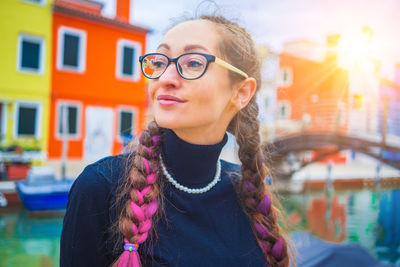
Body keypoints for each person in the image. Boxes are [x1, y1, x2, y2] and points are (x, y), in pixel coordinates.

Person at [60, 15, 291, 267]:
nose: (165, 78)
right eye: (159, 62)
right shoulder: (100, 187)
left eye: (193, 62)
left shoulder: (247, 192)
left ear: (241, 92)